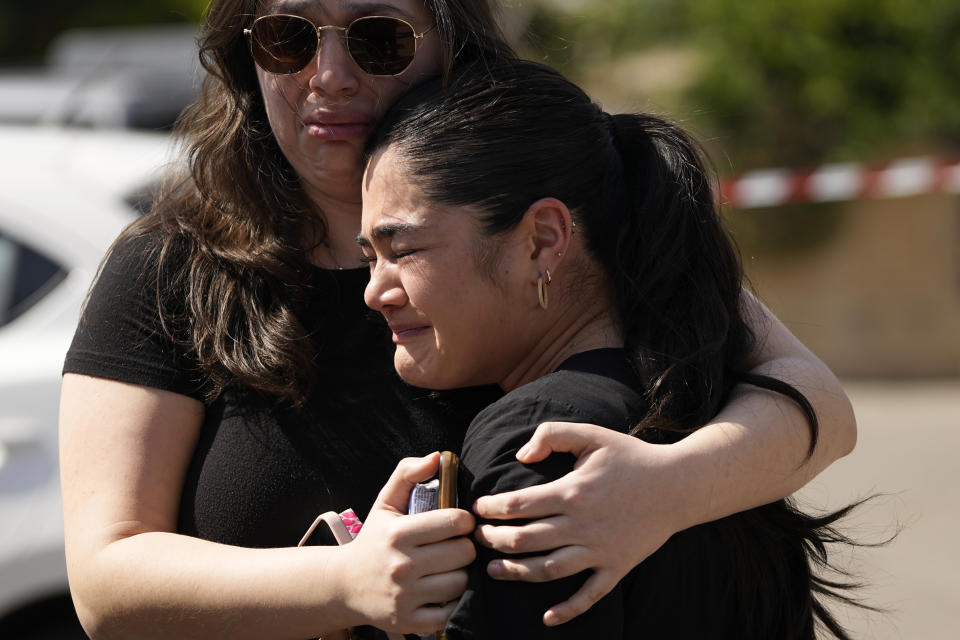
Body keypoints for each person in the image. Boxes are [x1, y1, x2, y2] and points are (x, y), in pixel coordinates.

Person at [58, 1, 855, 638]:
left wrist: (663, 490)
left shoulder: (567, 205)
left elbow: (812, 399)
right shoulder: (175, 262)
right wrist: (346, 584)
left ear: (452, 40)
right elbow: (106, 582)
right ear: (245, 51)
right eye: (286, 36)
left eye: (377, 37)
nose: (328, 75)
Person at [359, 57, 862, 639]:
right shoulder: (713, 396)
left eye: (405, 250)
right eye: (370, 256)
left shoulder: (539, 447)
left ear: (543, 241)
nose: (375, 292)